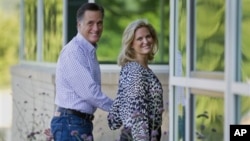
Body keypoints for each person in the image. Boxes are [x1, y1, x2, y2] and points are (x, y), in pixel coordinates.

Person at [50, 3, 113, 141]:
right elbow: (90, 92)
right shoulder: (73, 52)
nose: (96, 28)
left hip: (77, 124)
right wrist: (119, 109)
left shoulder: (88, 51)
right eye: (90, 23)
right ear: (79, 25)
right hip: (71, 125)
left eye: (99, 23)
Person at [107, 19, 164, 141]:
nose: (145, 41)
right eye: (139, 39)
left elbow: (115, 115)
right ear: (131, 43)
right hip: (140, 135)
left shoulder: (136, 68)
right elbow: (137, 114)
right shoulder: (135, 71)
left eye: (148, 36)